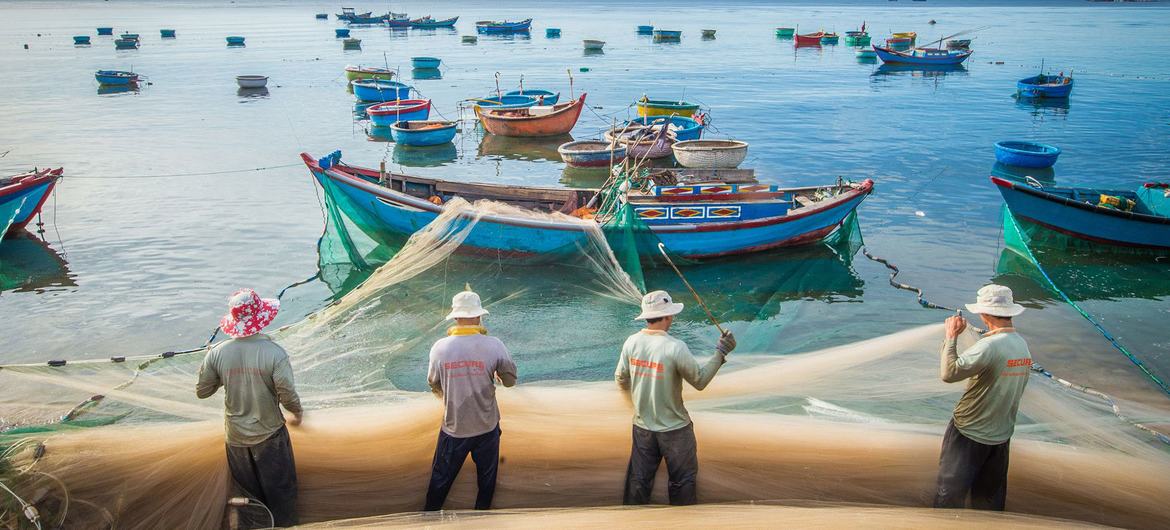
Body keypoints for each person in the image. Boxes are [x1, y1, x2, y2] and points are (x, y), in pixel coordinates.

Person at [615, 290, 736, 506]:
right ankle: (683, 520)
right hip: (675, 430)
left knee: (638, 483)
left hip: (642, 428)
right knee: (682, 483)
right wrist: (721, 352)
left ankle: (632, 518)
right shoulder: (675, 347)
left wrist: (635, 404)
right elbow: (699, 381)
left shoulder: (631, 342)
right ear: (668, 316)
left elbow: (620, 378)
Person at [196, 288, 302, 528]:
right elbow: (287, 394)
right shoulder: (275, 353)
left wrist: (220, 371)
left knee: (249, 498)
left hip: (235, 438)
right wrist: (298, 413)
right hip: (269, 435)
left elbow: (203, 391)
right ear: (261, 318)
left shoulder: (217, 353)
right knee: (281, 494)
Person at [935, 284, 1033, 511]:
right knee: (988, 502)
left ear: (984, 313)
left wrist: (951, 336)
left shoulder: (989, 346)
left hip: (969, 433)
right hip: (1001, 437)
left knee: (948, 498)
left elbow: (949, 373)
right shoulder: (1021, 345)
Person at [424, 288, 518, 511]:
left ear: (455, 317)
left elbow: (433, 384)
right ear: (478, 316)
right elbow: (510, 381)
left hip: (454, 429)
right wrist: (497, 375)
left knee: (439, 484)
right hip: (487, 428)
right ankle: (481, 519)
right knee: (486, 485)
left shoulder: (439, 348)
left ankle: (429, 519)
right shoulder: (494, 345)